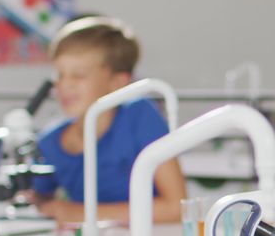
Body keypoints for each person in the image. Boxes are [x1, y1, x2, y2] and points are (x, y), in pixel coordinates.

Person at [29, 16, 186, 225]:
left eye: (78, 75)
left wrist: (82, 213)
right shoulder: (50, 142)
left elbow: (176, 207)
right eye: (59, 75)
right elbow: (38, 201)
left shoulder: (140, 117)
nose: (64, 85)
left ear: (117, 82)